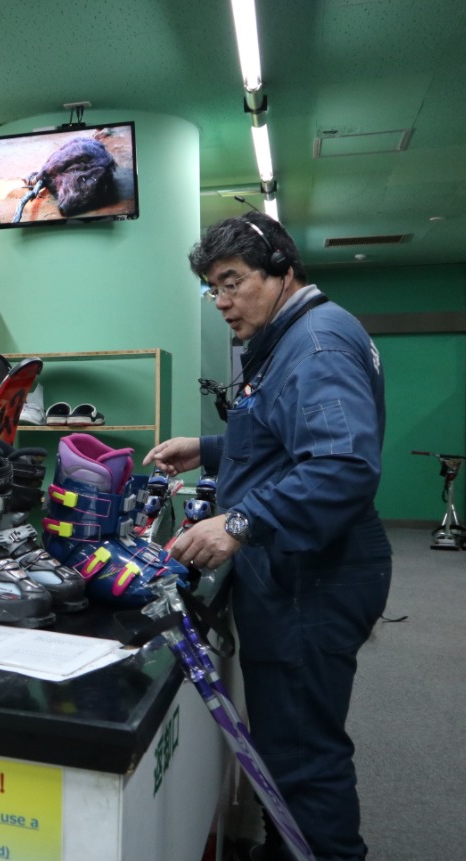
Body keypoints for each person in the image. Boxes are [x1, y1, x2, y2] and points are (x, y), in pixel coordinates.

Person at [145, 212, 390, 861]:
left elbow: (341, 466)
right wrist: (208, 448)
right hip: (296, 567)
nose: (221, 301)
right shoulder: (288, 341)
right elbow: (278, 439)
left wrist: (238, 523)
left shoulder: (315, 343)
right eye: (211, 288)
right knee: (285, 735)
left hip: (313, 574)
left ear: (281, 270)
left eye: (232, 282)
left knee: (302, 750)